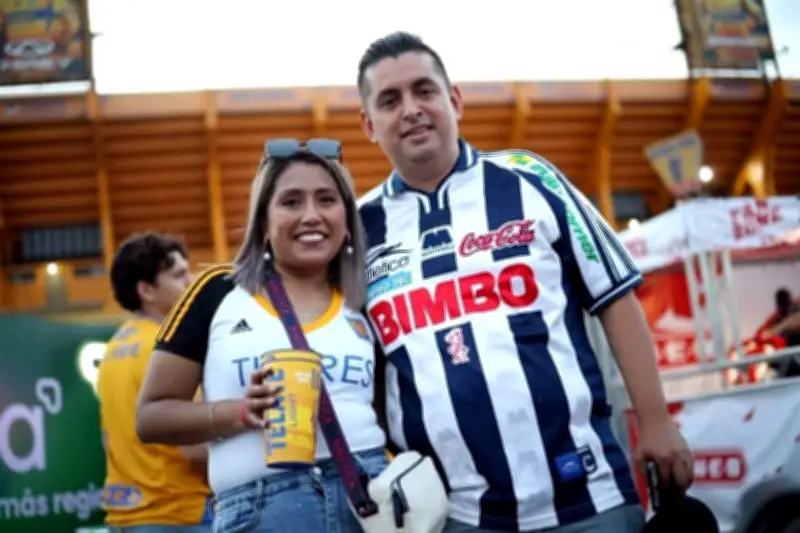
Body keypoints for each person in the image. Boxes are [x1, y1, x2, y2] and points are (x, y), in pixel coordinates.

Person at [355, 32, 694, 533]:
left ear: (455, 99)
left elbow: (616, 298)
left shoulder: (531, 178)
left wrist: (656, 420)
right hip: (451, 515)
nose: (411, 109)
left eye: (424, 90)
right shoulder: (360, 229)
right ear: (368, 124)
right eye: (390, 100)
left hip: (589, 496)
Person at [135, 139, 388, 533]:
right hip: (260, 509)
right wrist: (239, 413)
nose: (311, 215)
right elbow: (150, 418)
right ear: (263, 222)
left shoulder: (369, 297)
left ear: (347, 216)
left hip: (368, 498)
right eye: (291, 202)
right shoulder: (217, 291)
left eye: (327, 199)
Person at [98, 232, 211, 533]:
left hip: (125, 519)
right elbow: (193, 445)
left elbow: (108, 438)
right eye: (179, 275)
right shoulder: (169, 350)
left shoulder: (113, 347)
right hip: (177, 515)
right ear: (147, 290)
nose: (192, 280)